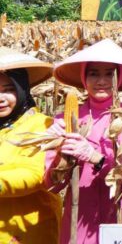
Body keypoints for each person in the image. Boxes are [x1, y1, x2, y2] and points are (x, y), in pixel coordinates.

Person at [46, 39, 122, 243]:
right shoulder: (65, 120)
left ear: (119, 77)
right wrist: (59, 153)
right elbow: (52, 186)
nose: (102, 81)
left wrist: (96, 158)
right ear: (83, 77)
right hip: (82, 216)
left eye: (109, 74)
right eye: (93, 73)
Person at [0, 48, 61, 243]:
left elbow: (35, 174)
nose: (0, 98)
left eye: (8, 90)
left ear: (22, 89)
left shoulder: (43, 125)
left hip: (27, 230)